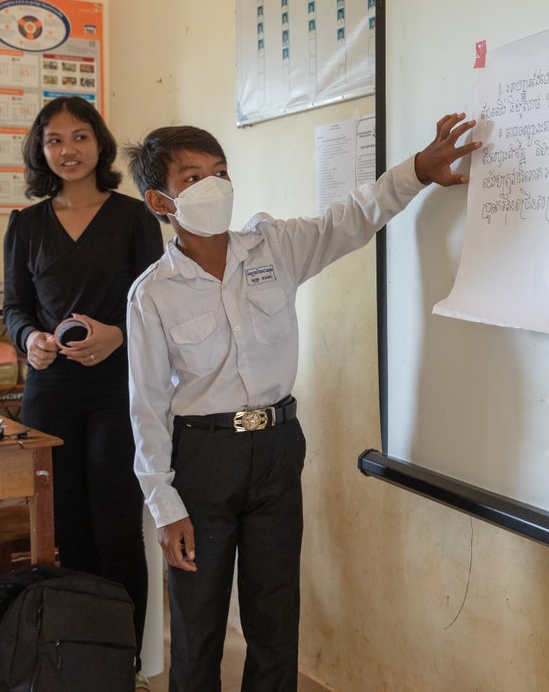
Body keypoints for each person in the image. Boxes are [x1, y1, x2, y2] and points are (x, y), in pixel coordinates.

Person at [124, 113, 478, 691]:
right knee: (200, 622)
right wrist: (165, 506)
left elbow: (352, 218)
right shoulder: (151, 294)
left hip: (277, 449)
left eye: (220, 171)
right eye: (192, 178)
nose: (213, 186)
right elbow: (146, 407)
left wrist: (417, 170)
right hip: (201, 463)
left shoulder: (274, 246)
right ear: (160, 201)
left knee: (274, 613)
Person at [3, 96, 164, 690]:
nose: (67, 150)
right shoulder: (26, 224)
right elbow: (14, 307)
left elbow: (157, 302)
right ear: (40, 150)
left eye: (79, 137)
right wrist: (30, 341)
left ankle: (124, 667)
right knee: (64, 531)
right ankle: (74, 665)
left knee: (117, 528)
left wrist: (117, 335)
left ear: (99, 143)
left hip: (118, 389)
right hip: (49, 392)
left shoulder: (133, 218)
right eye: (54, 140)